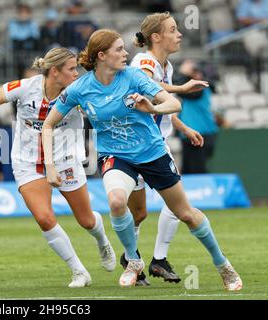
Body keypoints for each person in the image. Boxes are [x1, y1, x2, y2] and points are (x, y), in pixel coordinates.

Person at [42, 29, 242, 290]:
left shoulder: (134, 76)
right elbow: (48, 124)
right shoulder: (80, 88)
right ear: (101, 55)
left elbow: (174, 104)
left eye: (124, 49)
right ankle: (134, 259)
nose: (126, 54)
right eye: (119, 50)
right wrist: (50, 165)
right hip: (116, 155)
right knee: (116, 202)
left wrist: (153, 108)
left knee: (186, 214)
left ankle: (223, 265)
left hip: (152, 152)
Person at [0, 47, 116, 288]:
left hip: (66, 160)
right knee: (44, 218)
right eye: (71, 69)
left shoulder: (78, 92)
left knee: (86, 220)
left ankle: (102, 240)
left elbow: (103, 110)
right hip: (27, 162)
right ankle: (79, 271)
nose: (76, 73)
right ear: (54, 72)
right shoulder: (23, 87)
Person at [127, 12, 209, 284]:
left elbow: (160, 103)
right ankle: (131, 259)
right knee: (138, 212)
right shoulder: (144, 61)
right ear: (156, 37)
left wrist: (184, 128)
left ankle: (158, 260)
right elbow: (149, 88)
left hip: (156, 144)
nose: (180, 34)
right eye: (173, 30)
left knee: (176, 203)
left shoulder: (167, 66)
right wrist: (182, 88)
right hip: (133, 145)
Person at [175, 60, 220, 173]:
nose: (194, 76)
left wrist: (183, 73)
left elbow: (180, 88)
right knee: (188, 171)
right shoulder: (199, 88)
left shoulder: (200, 88)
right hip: (191, 135)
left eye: (196, 72)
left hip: (200, 135)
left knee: (197, 171)